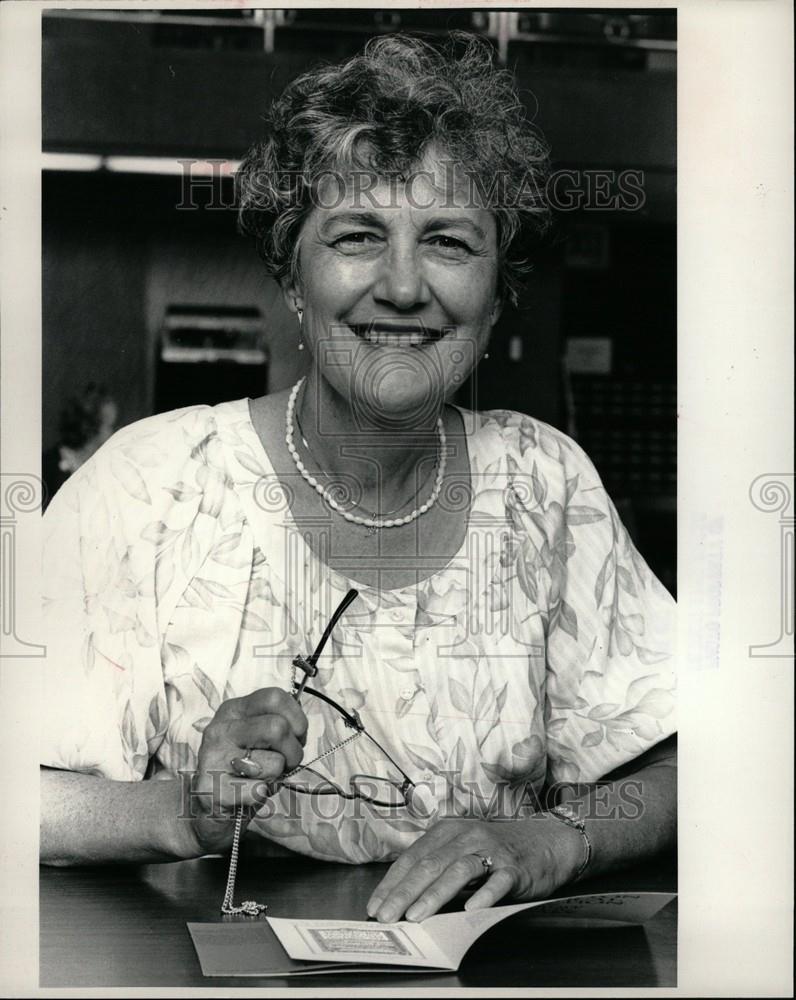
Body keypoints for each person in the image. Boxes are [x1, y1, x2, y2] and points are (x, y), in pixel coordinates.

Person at [40, 34, 676, 924]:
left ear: (495, 298)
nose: (405, 286)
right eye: (358, 235)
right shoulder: (149, 485)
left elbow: (699, 764)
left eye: (450, 241)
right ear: (293, 278)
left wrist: (559, 837)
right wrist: (182, 812)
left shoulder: (545, 483)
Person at [41, 383, 118, 511]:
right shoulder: (46, 468)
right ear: (89, 428)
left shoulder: (104, 469)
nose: (114, 433)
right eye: (110, 426)